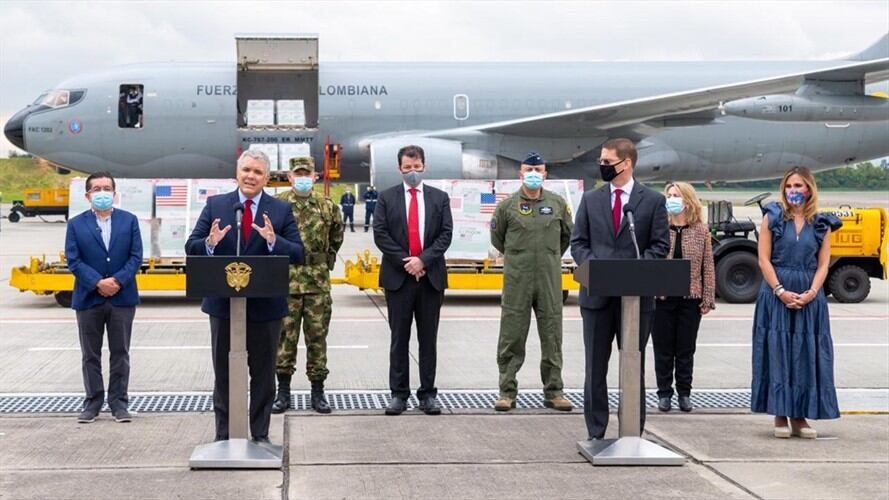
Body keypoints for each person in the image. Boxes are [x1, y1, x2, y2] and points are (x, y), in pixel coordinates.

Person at [185, 149, 304, 443]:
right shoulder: (216, 205)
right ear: (237, 173)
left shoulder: (279, 210)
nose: (251, 176)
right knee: (224, 374)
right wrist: (210, 243)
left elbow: (299, 253)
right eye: (247, 170)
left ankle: (260, 435)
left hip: (265, 308)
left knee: (264, 377)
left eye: (258, 172)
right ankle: (224, 435)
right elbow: (192, 246)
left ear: (266, 178)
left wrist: (274, 240)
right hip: (224, 306)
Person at [569, 138, 670, 441]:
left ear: (626, 163)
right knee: (595, 369)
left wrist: (633, 272)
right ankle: (596, 432)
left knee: (632, 366)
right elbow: (578, 243)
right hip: (597, 298)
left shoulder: (652, 201)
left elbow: (660, 245)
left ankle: (631, 432)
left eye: (607, 161)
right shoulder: (591, 200)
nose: (602, 166)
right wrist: (597, 270)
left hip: (636, 301)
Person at [752, 166, 840, 439]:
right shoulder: (773, 217)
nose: (793, 191)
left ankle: (800, 416)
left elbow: (824, 263)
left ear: (809, 189)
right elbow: (763, 258)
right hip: (776, 293)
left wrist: (813, 292)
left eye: (799, 186)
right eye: (789, 186)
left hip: (808, 295)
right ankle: (780, 412)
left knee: (805, 354)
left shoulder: (822, 223)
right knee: (778, 351)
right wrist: (779, 290)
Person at [490, 152, 574, 412]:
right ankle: (507, 391)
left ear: (546, 174)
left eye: (538, 169)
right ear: (520, 173)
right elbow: (498, 239)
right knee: (511, 336)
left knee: (552, 336)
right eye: (529, 169)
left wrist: (547, 259)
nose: (534, 174)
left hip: (549, 280)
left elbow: (565, 238)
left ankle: (554, 391)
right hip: (518, 280)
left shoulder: (558, 204)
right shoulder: (507, 206)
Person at [373, 145, 453, 415]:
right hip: (399, 278)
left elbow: (445, 234)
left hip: (430, 278)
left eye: (417, 167)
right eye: (407, 168)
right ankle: (399, 394)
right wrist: (408, 261)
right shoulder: (386, 198)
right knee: (399, 339)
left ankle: (428, 394)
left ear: (424, 166)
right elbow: (381, 234)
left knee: (428, 339)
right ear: (399, 169)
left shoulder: (439, 198)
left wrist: (423, 260)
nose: (412, 172)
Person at [65, 172, 143, 424]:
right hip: (89, 298)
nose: (102, 193)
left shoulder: (129, 221)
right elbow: (73, 260)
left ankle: (119, 403)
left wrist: (117, 281)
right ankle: (92, 403)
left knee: (120, 352)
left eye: (106, 188)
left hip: (122, 297)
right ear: (88, 195)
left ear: (114, 193)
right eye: (96, 189)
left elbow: (136, 257)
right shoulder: (76, 224)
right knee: (90, 354)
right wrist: (97, 282)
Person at [272, 157, 344, 415]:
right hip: (285, 282)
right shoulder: (277, 204)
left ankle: (318, 391)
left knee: (317, 338)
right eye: (297, 173)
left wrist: (320, 261)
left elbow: (336, 238)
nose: (302, 177)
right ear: (289, 177)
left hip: (317, 284)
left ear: (315, 176)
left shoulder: (328, 207)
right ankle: (282, 392)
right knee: (284, 339)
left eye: (307, 173)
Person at [652, 181, 715, 413]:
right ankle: (664, 393)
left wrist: (707, 297)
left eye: (676, 195)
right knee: (663, 348)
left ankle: (685, 393)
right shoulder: (659, 228)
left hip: (690, 298)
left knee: (686, 348)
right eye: (668, 195)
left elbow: (707, 266)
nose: (671, 199)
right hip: (663, 298)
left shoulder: (700, 231)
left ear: (687, 200)